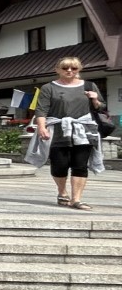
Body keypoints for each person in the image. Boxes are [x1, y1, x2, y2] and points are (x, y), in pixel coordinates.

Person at [33, 55, 106, 209]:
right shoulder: (49, 88)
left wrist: (95, 99)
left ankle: (76, 199)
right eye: (65, 68)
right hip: (58, 130)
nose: (69, 70)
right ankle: (62, 192)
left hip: (84, 130)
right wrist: (41, 127)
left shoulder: (89, 85)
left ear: (79, 69)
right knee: (60, 165)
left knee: (80, 165)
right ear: (57, 70)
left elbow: (101, 107)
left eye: (74, 68)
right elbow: (41, 110)